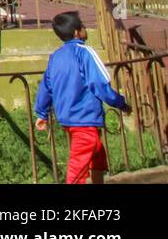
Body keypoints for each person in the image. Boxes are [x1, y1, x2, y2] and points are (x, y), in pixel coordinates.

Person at [33, 11, 130, 184]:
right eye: (83, 26)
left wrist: (41, 113)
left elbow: (46, 86)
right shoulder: (85, 53)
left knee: (97, 154)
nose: (86, 29)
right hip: (84, 118)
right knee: (77, 170)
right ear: (77, 32)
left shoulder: (56, 56)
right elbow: (99, 84)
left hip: (68, 119)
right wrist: (120, 102)